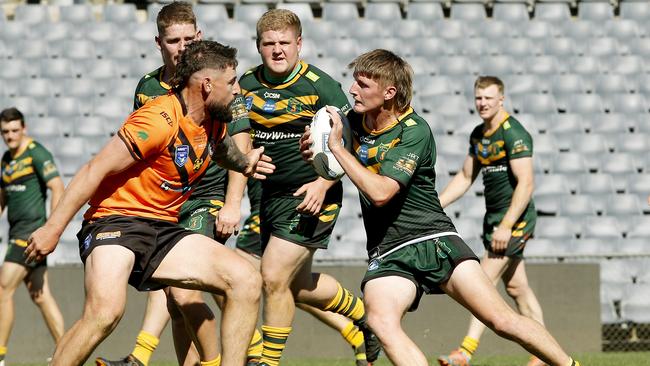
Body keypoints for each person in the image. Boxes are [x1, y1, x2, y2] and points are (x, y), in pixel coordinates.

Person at [299, 49, 580, 366]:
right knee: (380, 321)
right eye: (355, 82)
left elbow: (380, 193)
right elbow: (336, 165)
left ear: (389, 92)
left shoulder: (414, 131)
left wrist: (336, 147)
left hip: (431, 238)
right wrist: (318, 157)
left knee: (502, 320)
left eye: (363, 84)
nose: (353, 90)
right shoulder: (352, 121)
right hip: (387, 249)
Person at [24, 40, 274, 366]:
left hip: (162, 227)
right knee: (105, 313)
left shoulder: (212, 121)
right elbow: (93, 169)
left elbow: (221, 149)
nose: (238, 90)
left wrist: (243, 164)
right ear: (207, 85)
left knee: (245, 280)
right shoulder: (158, 120)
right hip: (115, 221)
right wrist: (52, 229)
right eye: (232, 82)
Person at [95, 3, 262, 365]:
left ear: (199, 37)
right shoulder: (148, 86)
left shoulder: (221, 81)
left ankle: (228, 359)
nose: (182, 46)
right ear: (159, 42)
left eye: (189, 38)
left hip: (205, 196)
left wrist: (233, 203)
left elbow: (240, 142)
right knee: (175, 301)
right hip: (165, 203)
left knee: (185, 293)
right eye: (174, 40)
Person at [238, 9, 379, 366]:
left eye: (284, 43)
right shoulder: (247, 84)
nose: (277, 50)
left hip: (312, 195)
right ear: (258, 46)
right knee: (296, 287)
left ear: (299, 44)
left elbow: (353, 141)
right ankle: (365, 318)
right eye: (269, 44)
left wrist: (322, 182)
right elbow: (238, 139)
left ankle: (265, 361)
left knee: (271, 275)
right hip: (267, 197)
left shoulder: (320, 85)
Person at [437, 76, 547, 366]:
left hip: (514, 222)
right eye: (478, 98)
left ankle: (465, 352)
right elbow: (464, 177)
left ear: (502, 99)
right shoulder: (479, 134)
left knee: (482, 283)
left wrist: (507, 226)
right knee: (517, 289)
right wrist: (435, 205)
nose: (482, 103)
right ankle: (543, 353)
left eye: (488, 98)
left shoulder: (514, 133)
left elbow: (526, 184)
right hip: (495, 222)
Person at [236, 179, 371, 366]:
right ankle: (361, 322)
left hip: (283, 204)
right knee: (294, 285)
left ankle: (259, 353)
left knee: (239, 277)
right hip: (269, 207)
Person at [0, 107, 65, 366]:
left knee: (3, 288)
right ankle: (67, 352)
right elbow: (3, 197)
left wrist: (51, 228)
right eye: (5, 132)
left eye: (15, 130)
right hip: (16, 232)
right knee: (41, 295)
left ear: (24, 128)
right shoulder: (6, 159)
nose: (10, 136)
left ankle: (0, 355)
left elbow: (57, 186)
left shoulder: (37, 153)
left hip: (29, 235)